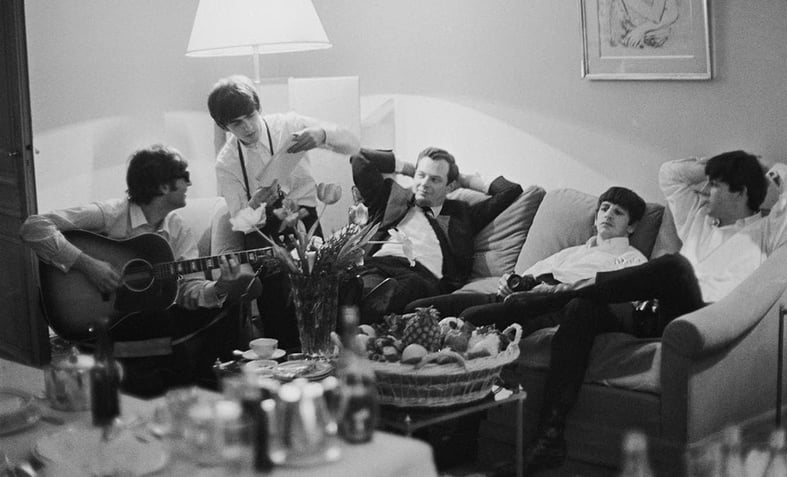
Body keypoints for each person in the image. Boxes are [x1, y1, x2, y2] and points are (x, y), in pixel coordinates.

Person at [515, 151, 787, 474]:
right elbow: (670, 174)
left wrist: (763, 172)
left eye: (715, 185)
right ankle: (550, 436)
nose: (706, 191)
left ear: (740, 193)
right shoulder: (699, 220)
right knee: (581, 308)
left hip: (705, 318)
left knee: (675, 266)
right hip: (658, 313)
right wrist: (710, 167)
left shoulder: (768, 232)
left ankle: (551, 299)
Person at [20, 145, 260, 397]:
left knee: (224, 308)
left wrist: (221, 286)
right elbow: (34, 227)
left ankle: (198, 388)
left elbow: (190, 290)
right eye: (184, 177)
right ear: (164, 187)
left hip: (144, 316)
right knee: (165, 325)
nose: (189, 184)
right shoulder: (110, 214)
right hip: (104, 319)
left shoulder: (178, 229)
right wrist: (89, 265)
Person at [207, 74, 360, 349]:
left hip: (307, 223)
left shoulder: (288, 125)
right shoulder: (227, 163)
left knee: (321, 303)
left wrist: (321, 134)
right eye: (236, 124)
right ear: (224, 126)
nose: (247, 128)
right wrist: (254, 203)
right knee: (279, 316)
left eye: (250, 116)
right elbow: (240, 223)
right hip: (264, 235)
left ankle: (326, 362)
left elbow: (351, 143)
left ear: (258, 108)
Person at [405, 187, 648, 333]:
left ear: (632, 226)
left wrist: (547, 291)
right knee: (416, 308)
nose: (608, 215)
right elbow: (527, 274)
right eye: (604, 208)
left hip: (553, 303)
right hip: (518, 293)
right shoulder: (572, 252)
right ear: (595, 218)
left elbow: (620, 297)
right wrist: (509, 280)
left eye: (618, 212)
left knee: (471, 317)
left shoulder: (631, 258)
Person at [351, 147, 523, 322]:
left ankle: (366, 319)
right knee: (353, 285)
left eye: (435, 179)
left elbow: (510, 191)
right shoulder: (389, 197)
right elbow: (360, 159)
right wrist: (408, 168)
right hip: (378, 266)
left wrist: (466, 179)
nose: (425, 183)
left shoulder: (461, 215)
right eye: (421, 175)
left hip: (420, 277)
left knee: (403, 289)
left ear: (449, 187)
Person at [609, 0, 679, 49]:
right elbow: (617, 39)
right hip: (634, 46)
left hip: (665, 43)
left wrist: (642, 29)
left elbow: (671, 14)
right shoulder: (618, 3)